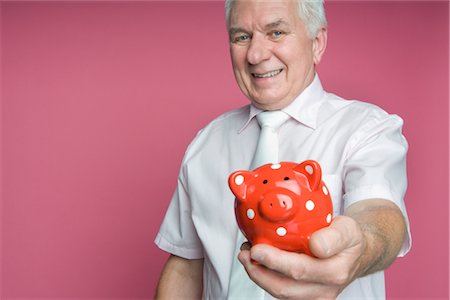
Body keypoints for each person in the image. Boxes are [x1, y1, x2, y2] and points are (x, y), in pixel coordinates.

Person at [154, 0, 411, 298]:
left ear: (317, 43)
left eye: (276, 33)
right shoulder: (205, 143)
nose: (256, 54)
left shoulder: (366, 128)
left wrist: (362, 246)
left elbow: (379, 211)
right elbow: (186, 265)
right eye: (242, 37)